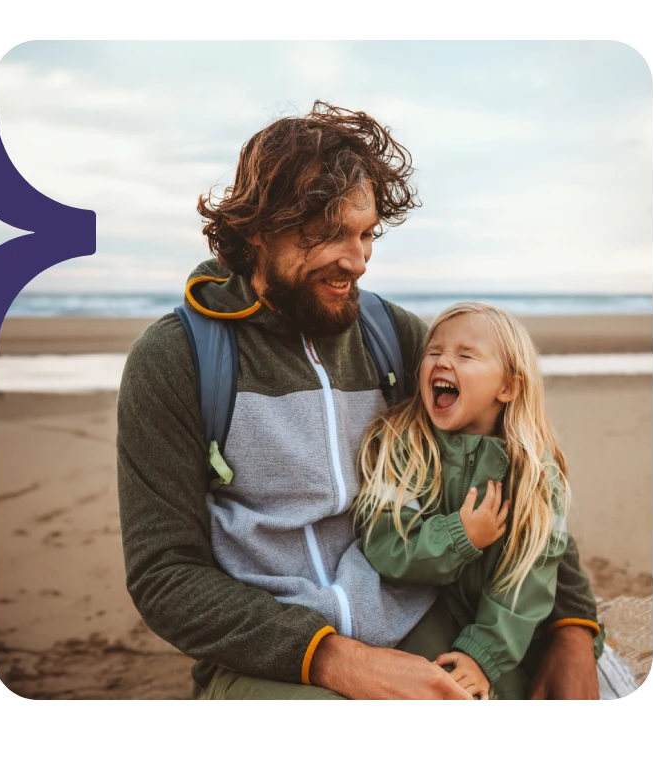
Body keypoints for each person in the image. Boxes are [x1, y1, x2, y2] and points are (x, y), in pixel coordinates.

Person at [116, 101, 604, 701]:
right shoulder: (177, 361)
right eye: (329, 235)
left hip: (414, 609)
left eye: (366, 233)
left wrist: (573, 630)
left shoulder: (394, 338)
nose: (359, 260)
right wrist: (330, 658)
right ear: (257, 230)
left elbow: (519, 464)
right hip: (271, 647)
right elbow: (165, 575)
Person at [353, 301, 581, 701]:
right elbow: (385, 547)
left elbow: (529, 582)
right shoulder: (402, 447)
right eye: (434, 352)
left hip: (503, 644)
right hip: (420, 623)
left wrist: (483, 656)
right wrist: (460, 536)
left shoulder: (535, 475)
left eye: (466, 355)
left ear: (508, 386)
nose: (443, 362)